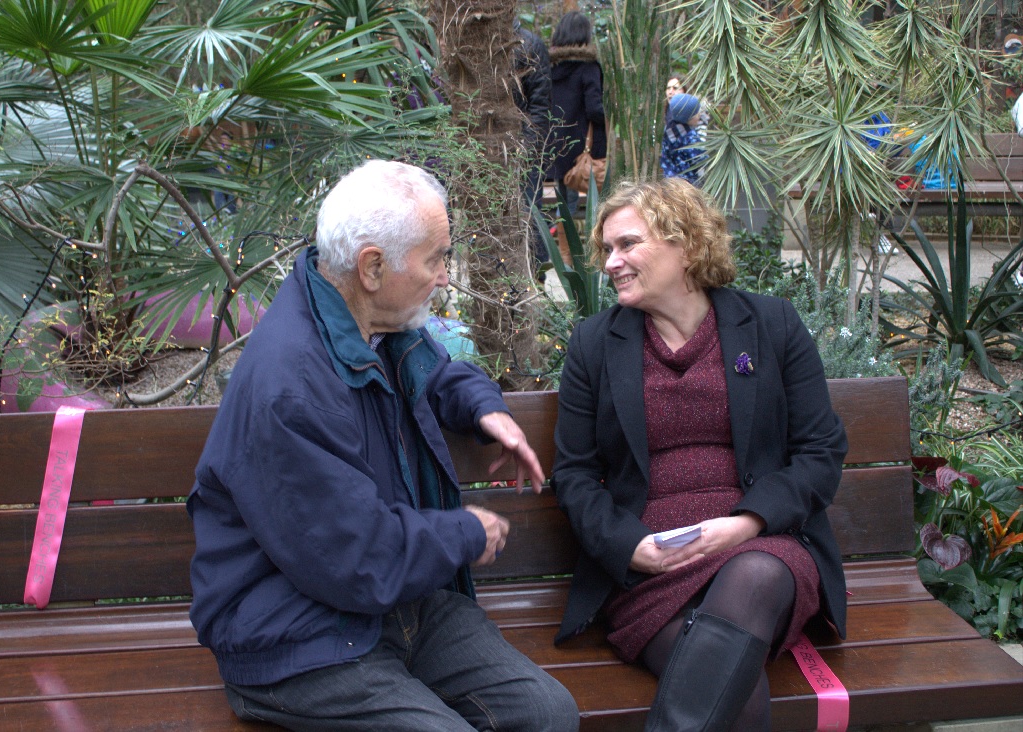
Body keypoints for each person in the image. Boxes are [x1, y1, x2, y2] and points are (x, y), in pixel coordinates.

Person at [188, 160, 580, 732]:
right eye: (436, 258)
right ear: (372, 266)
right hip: (297, 631)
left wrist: (484, 408)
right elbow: (355, 556)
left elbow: (431, 369)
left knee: (548, 715)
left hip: (397, 602)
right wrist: (468, 531)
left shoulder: (362, 317)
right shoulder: (291, 384)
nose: (445, 276)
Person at [552, 178, 848, 731]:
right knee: (734, 684)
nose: (611, 262)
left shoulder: (770, 325)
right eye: (607, 250)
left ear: (684, 243)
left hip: (763, 545)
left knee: (754, 579)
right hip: (651, 567)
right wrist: (630, 547)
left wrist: (747, 522)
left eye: (628, 245)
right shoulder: (595, 344)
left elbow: (821, 450)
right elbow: (575, 474)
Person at [547, 10, 607, 216]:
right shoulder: (588, 67)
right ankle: (574, 246)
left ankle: (562, 244)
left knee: (564, 199)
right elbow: (594, 108)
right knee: (592, 201)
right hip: (582, 146)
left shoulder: (549, 67)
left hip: (555, 143)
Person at [512, 19, 553, 262]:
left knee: (529, 214)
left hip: (523, 150)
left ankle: (536, 277)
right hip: (487, 149)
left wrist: (526, 150)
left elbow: (540, 106)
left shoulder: (528, 45)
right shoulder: (474, 41)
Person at [660, 93, 707, 186]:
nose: (699, 115)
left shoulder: (668, 130)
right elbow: (700, 159)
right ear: (689, 117)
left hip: (670, 179)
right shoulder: (690, 137)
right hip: (688, 183)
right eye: (697, 113)